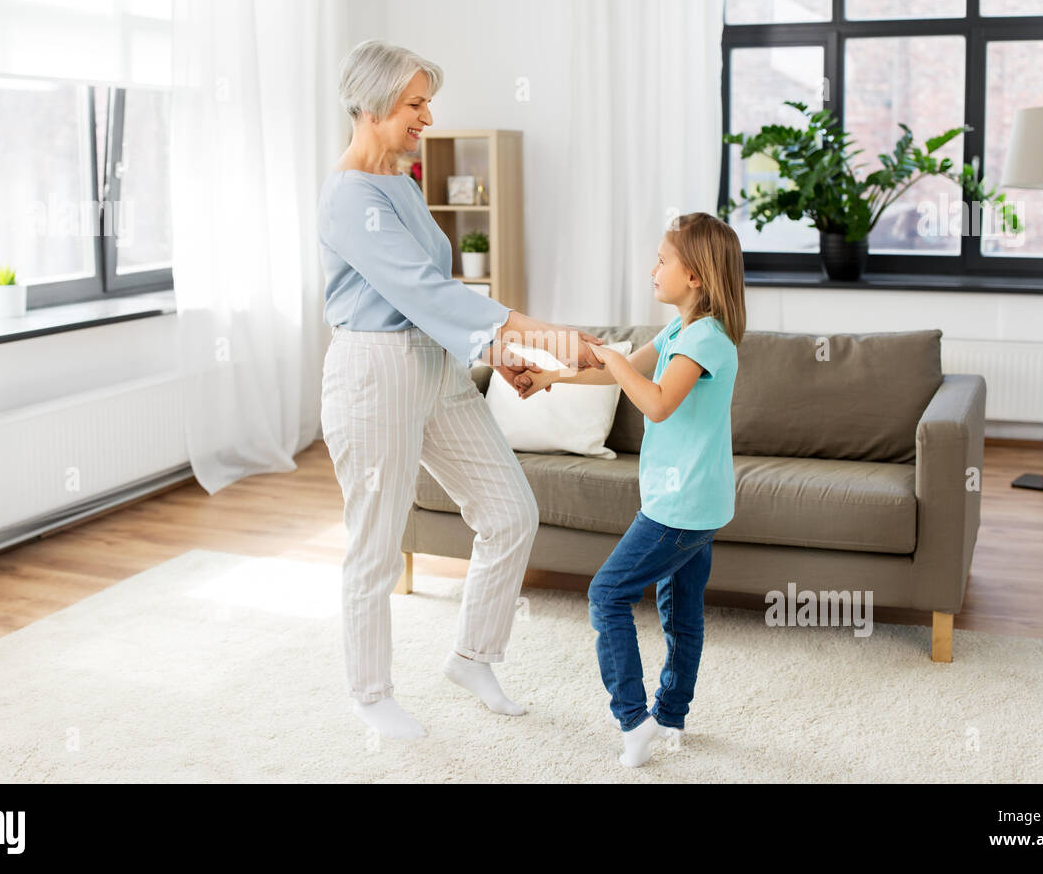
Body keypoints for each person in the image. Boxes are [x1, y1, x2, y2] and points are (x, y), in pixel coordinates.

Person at [318, 39, 604, 740]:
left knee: (510, 512)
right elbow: (424, 289)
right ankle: (371, 693)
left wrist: (495, 352)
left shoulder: (406, 183)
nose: (427, 115)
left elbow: (437, 300)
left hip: (436, 366)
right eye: (416, 102)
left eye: (425, 101)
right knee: (376, 545)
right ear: (373, 101)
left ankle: (473, 654)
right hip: (374, 372)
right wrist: (549, 337)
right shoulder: (350, 197)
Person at [515, 212, 745, 767]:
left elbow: (659, 403)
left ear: (694, 275)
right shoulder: (679, 331)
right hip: (696, 502)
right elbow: (614, 376)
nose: (652, 268)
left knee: (606, 594)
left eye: (662, 259)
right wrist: (552, 377)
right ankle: (670, 717)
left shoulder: (706, 340)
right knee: (681, 613)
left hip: (681, 506)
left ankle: (634, 719)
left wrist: (616, 356)